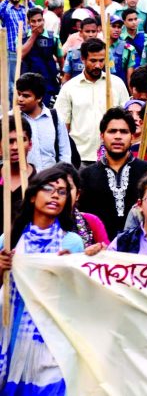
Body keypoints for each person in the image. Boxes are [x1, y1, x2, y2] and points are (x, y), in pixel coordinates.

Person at [0, 168, 88, 395]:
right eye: (48, 189)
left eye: (62, 191)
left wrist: (71, 271)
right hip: (10, 330)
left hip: (49, 338)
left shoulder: (72, 242)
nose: (55, 195)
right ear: (31, 195)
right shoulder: (9, 239)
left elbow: (77, 296)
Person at [78, 108, 147, 239]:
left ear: (133, 137)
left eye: (124, 132)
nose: (118, 136)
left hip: (140, 249)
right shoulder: (85, 175)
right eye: (112, 131)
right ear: (102, 136)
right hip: (99, 251)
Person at [56, 38, 129, 165]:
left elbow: (128, 121)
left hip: (112, 156)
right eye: (93, 61)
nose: (98, 65)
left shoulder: (117, 84)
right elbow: (63, 126)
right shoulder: (69, 87)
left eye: (101, 61)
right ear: (83, 59)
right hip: (80, 157)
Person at [16, 73, 71, 170]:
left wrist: (63, 176)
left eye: (26, 96)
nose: (20, 99)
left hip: (50, 181)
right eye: (19, 94)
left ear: (39, 98)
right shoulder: (10, 119)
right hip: (22, 181)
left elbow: (65, 153)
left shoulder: (55, 118)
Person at [54, 162, 109, 247]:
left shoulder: (92, 221)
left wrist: (97, 253)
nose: (63, 193)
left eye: (69, 188)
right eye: (56, 188)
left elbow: (107, 255)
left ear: (77, 194)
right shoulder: (39, 224)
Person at [0, 115, 36, 235]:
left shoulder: (40, 183)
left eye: (21, 140)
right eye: (9, 141)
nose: (15, 147)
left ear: (30, 144)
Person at [20, 7, 62, 103]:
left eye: (39, 20)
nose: (37, 24)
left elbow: (60, 57)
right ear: (28, 22)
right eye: (33, 21)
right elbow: (21, 54)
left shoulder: (53, 37)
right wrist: (34, 35)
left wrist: (62, 74)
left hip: (48, 79)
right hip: (28, 79)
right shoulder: (22, 37)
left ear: (43, 20)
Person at [0, 0, 36, 93]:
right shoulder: (6, 10)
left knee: (28, 80)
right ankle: (12, 107)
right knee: (12, 82)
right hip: (12, 51)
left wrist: (28, 0)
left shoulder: (24, 9)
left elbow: (38, 14)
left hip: (27, 50)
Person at [61, 17, 98, 81]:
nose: (91, 35)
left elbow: (111, 75)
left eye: (93, 31)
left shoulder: (105, 53)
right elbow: (66, 77)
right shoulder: (72, 53)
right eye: (87, 31)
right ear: (81, 33)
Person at [106, 14, 135, 85]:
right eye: (113, 26)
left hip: (119, 87)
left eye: (119, 27)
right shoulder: (98, 45)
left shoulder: (128, 49)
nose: (116, 30)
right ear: (105, 27)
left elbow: (129, 77)